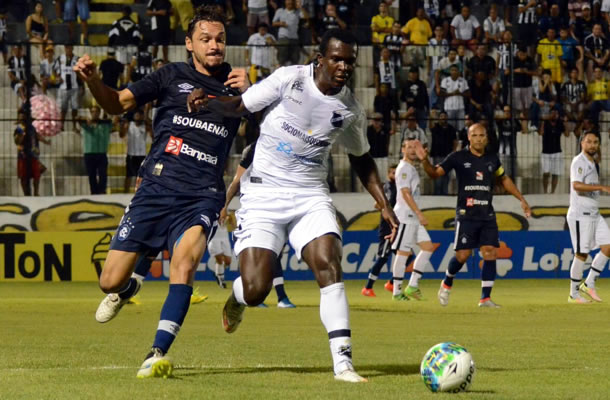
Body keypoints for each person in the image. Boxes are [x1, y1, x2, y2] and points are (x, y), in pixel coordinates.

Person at [187, 29, 398, 382]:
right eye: (337, 59)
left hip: (310, 196)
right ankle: (238, 298)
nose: (344, 67)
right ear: (320, 58)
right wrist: (206, 101)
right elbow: (241, 106)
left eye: (350, 61)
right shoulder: (289, 80)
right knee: (257, 289)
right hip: (263, 194)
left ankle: (343, 363)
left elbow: (361, 158)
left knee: (329, 264)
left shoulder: (350, 110)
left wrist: (384, 204)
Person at [74, 6, 249, 378]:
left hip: (202, 194)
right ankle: (127, 289)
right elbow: (117, 104)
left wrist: (252, 94)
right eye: (205, 39)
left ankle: (156, 353)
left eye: (219, 39)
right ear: (189, 44)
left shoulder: (239, 86)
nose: (214, 45)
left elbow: (270, 127)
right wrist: (93, 81)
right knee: (109, 280)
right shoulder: (170, 76)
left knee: (183, 267)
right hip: (155, 188)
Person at [415, 123, 531, 308]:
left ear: (487, 138)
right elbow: (435, 173)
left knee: (490, 251)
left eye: (481, 135)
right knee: (463, 255)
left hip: (487, 214)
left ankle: (485, 298)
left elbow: (503, 178)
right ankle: (447, 282)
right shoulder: (458, 157)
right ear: (468, 137)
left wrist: (521, 199)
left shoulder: (492, 159)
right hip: (466, 214)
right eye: (474, 135)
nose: (478, 139)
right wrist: (424, 161)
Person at [220, 141, 296, 308]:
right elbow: (237, 181)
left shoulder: (287, 148)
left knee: (274, 257)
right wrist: (224, 206)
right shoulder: (254, 150)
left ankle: (279, 297)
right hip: (254, 213)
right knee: (256, 257)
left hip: (278, 211)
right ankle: (255, 294)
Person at [567, 131, 610, 304]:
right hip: (581, 215)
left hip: (594, 213)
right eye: (589, 141)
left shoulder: (593, 163)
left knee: (608, 246)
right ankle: (573, 294)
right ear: (582, 143)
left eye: (595, 142)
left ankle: (589, 283)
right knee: (582, 254)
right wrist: (601, 187)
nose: (592, 145)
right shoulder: (579, 161)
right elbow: (576, 186)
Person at [390, 138, 435, 301]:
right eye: (408, 147)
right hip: (405, 216)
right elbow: (405, 193)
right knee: (403, 253)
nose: (411, 150)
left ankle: (412, 286)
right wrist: (419, 213)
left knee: (428, 247)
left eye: (414, 148)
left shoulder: (411, 168)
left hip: (412, 216)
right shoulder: (403, 168)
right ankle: (396, 292)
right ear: (402, 150)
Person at [362, 164, 398, 297]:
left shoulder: (398, 187)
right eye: (393, 173)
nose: (395, 175)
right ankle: (368, 287)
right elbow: (377, 204)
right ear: (388, 174)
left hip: (397, 227)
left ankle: (392, 283)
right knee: (383, 257)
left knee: (407, 256)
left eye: (397, 172)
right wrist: (385, 210)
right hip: (387, 228)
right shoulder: (387, 187)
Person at [78, 106, 116, 195]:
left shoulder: (105, 124)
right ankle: (94, 192)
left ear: (99, 113)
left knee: (103, 174)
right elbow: (78, 118)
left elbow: (115, 120)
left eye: (96, 111)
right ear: (90, 113)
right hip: (89, 152)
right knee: (91, 175)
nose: (95, 113)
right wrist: (85, 118)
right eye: (93, 112)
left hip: (101, 153)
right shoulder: (87, 123)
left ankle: (101, 191)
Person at [14, 110, 50, 196]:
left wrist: (46, 141)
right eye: (21, 118)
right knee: (23, 177)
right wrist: (22, 134)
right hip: (23, 155)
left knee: (36, 174)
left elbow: (37, 136)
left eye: (24, 118)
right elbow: (17, 142)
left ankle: (36, 193)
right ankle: (26, 194)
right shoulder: (18, 129)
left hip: (33, 154)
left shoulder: (32, 128)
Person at [120, 108, 152, 193]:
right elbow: (121, 135)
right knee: (128, 175)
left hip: (141, 154)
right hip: (131, 154)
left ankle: (140, 193)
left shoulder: (145, 126)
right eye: (136, 115)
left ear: (142, 116)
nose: (137, 116)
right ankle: (125, 192)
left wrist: (149, 124)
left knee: (141, 175)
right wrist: (122, 126)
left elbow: (153, 136)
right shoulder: (129, 125)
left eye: (139, 115)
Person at [540, 108, 569, 194]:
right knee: (546, 173)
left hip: (557, 151)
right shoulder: (545, 123)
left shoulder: (560, 123)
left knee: (555, 173)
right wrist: (543, 121)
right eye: (552, 113)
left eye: (556, 113)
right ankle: (545, 191)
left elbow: (567, 134)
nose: (554, 115)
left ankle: (553, 192)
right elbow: (541, 133)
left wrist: (566, 123)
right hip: (546, 151)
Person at [53, 45, 81, 132]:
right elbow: (54, 69)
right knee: (63, 108)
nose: (68, 49)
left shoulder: (77, 59)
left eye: (69, 47)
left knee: (74, 108)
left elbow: (81, 72)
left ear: (72, 48)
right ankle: (61, 126)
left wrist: (82, 84)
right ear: (65, 48)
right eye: (66, 47)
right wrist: (57, 77)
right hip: (63, 87)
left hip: (74, 87)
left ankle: (74, 126)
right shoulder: (60, 58)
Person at [429, 110, 457, 195]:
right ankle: (437, 194)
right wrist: (431, 116)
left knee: (446, 176)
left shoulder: (451, 129)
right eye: (441, 116)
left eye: (444, 116)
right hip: (437, 155)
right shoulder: (435, 127)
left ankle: (445, 194)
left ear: (447, 118)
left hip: (448, 156)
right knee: (438, 176)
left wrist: (453, 152)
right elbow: (430, 125)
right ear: (439, 118)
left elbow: (455, 141)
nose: (443, 118)